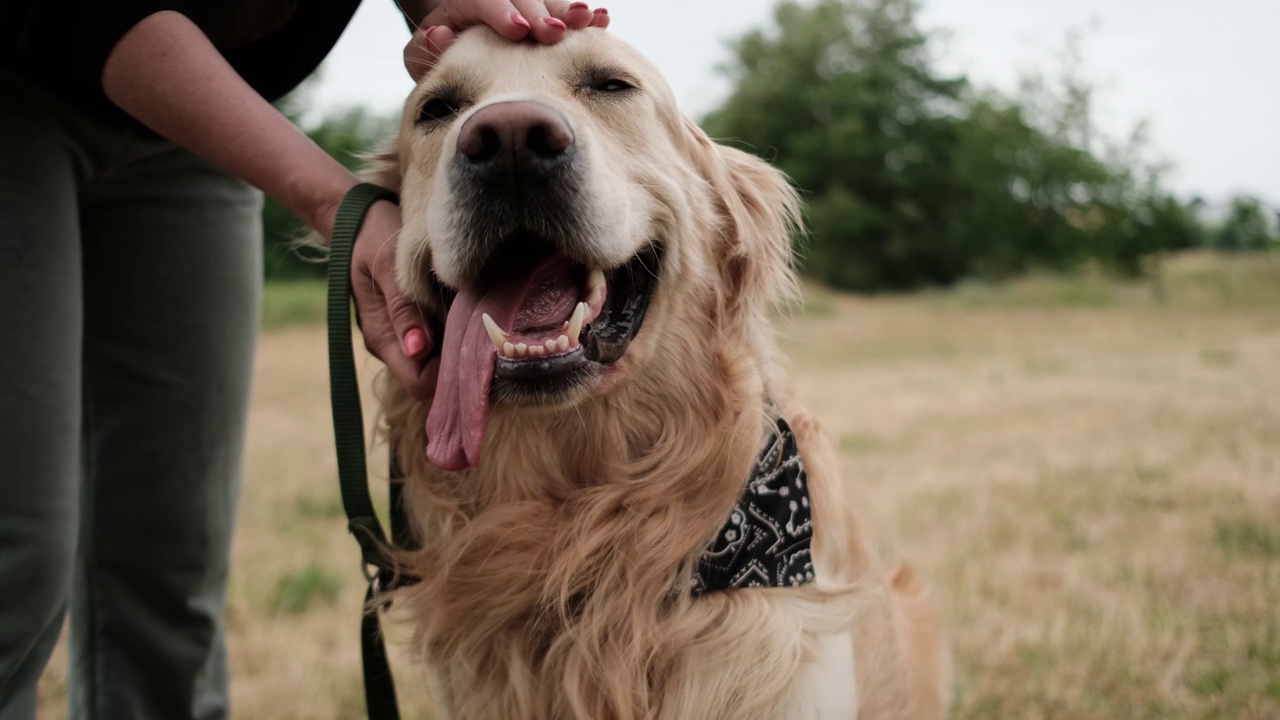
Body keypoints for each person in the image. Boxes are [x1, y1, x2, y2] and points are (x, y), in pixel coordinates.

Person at [0, 1, 608, 717]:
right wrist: (336, 202)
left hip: (198, 124)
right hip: (19, 87)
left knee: (171, 557)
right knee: (16, 558)